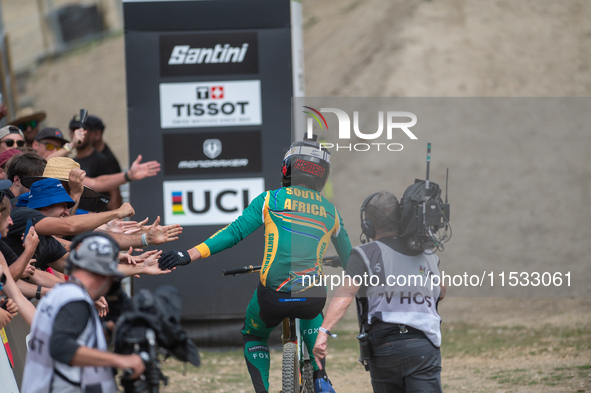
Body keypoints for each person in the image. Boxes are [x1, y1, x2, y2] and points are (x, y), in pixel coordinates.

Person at [159, 138, 352, 393]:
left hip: (272, 297)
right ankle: (320, 375)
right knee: (312, 305)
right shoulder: (332, 213)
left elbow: (234, 233)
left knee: (254, 334)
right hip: (311, 299)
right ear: (322, 175)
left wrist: (188, 254)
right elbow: (353, 262)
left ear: (288, 168)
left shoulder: (270, 200)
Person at [313, 191, 446, 393]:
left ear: (368, 225)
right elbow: (441, 292)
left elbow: (346, 295)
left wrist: (323, 333)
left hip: (385, 348)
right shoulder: (427, 253)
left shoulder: (364, 253)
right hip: (423, 347)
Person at [21, 232, 145, 393]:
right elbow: (60, 346)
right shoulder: (75, 299)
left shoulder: (59, 294)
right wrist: (121, 360)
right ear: (104, 276)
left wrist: (109, 329)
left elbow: (72, 333)